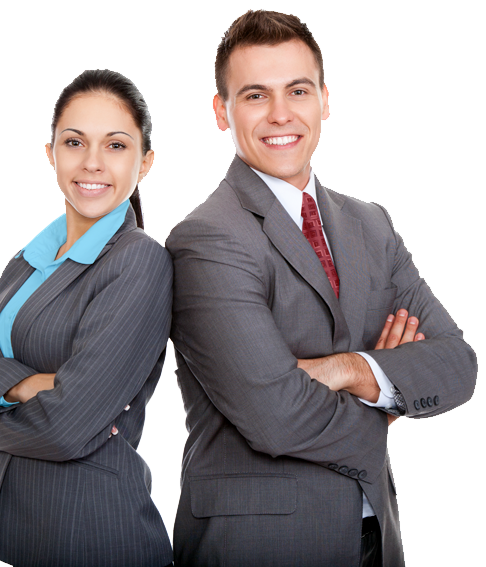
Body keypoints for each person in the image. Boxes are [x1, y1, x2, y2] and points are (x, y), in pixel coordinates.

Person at [165, 10, 477, 567]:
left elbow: (458, 365)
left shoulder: (371, 224)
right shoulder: (205, 239)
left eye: (298, 90)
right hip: (257, 549)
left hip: (375, 540)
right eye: (256, 95)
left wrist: (349, 370)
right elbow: (274, 416)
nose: (281, 113)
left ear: (324, 101)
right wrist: (385, 402)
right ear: (222, 111)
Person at [0, 69, 174, 567]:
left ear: (145, 163)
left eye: (116, 146)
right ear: (51, 153)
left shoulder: (138, 261)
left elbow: (66, 426)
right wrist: (25, 385)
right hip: (21, 537)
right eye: (75, 142)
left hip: (99, 538)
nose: (92, 163)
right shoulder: (25, 261)